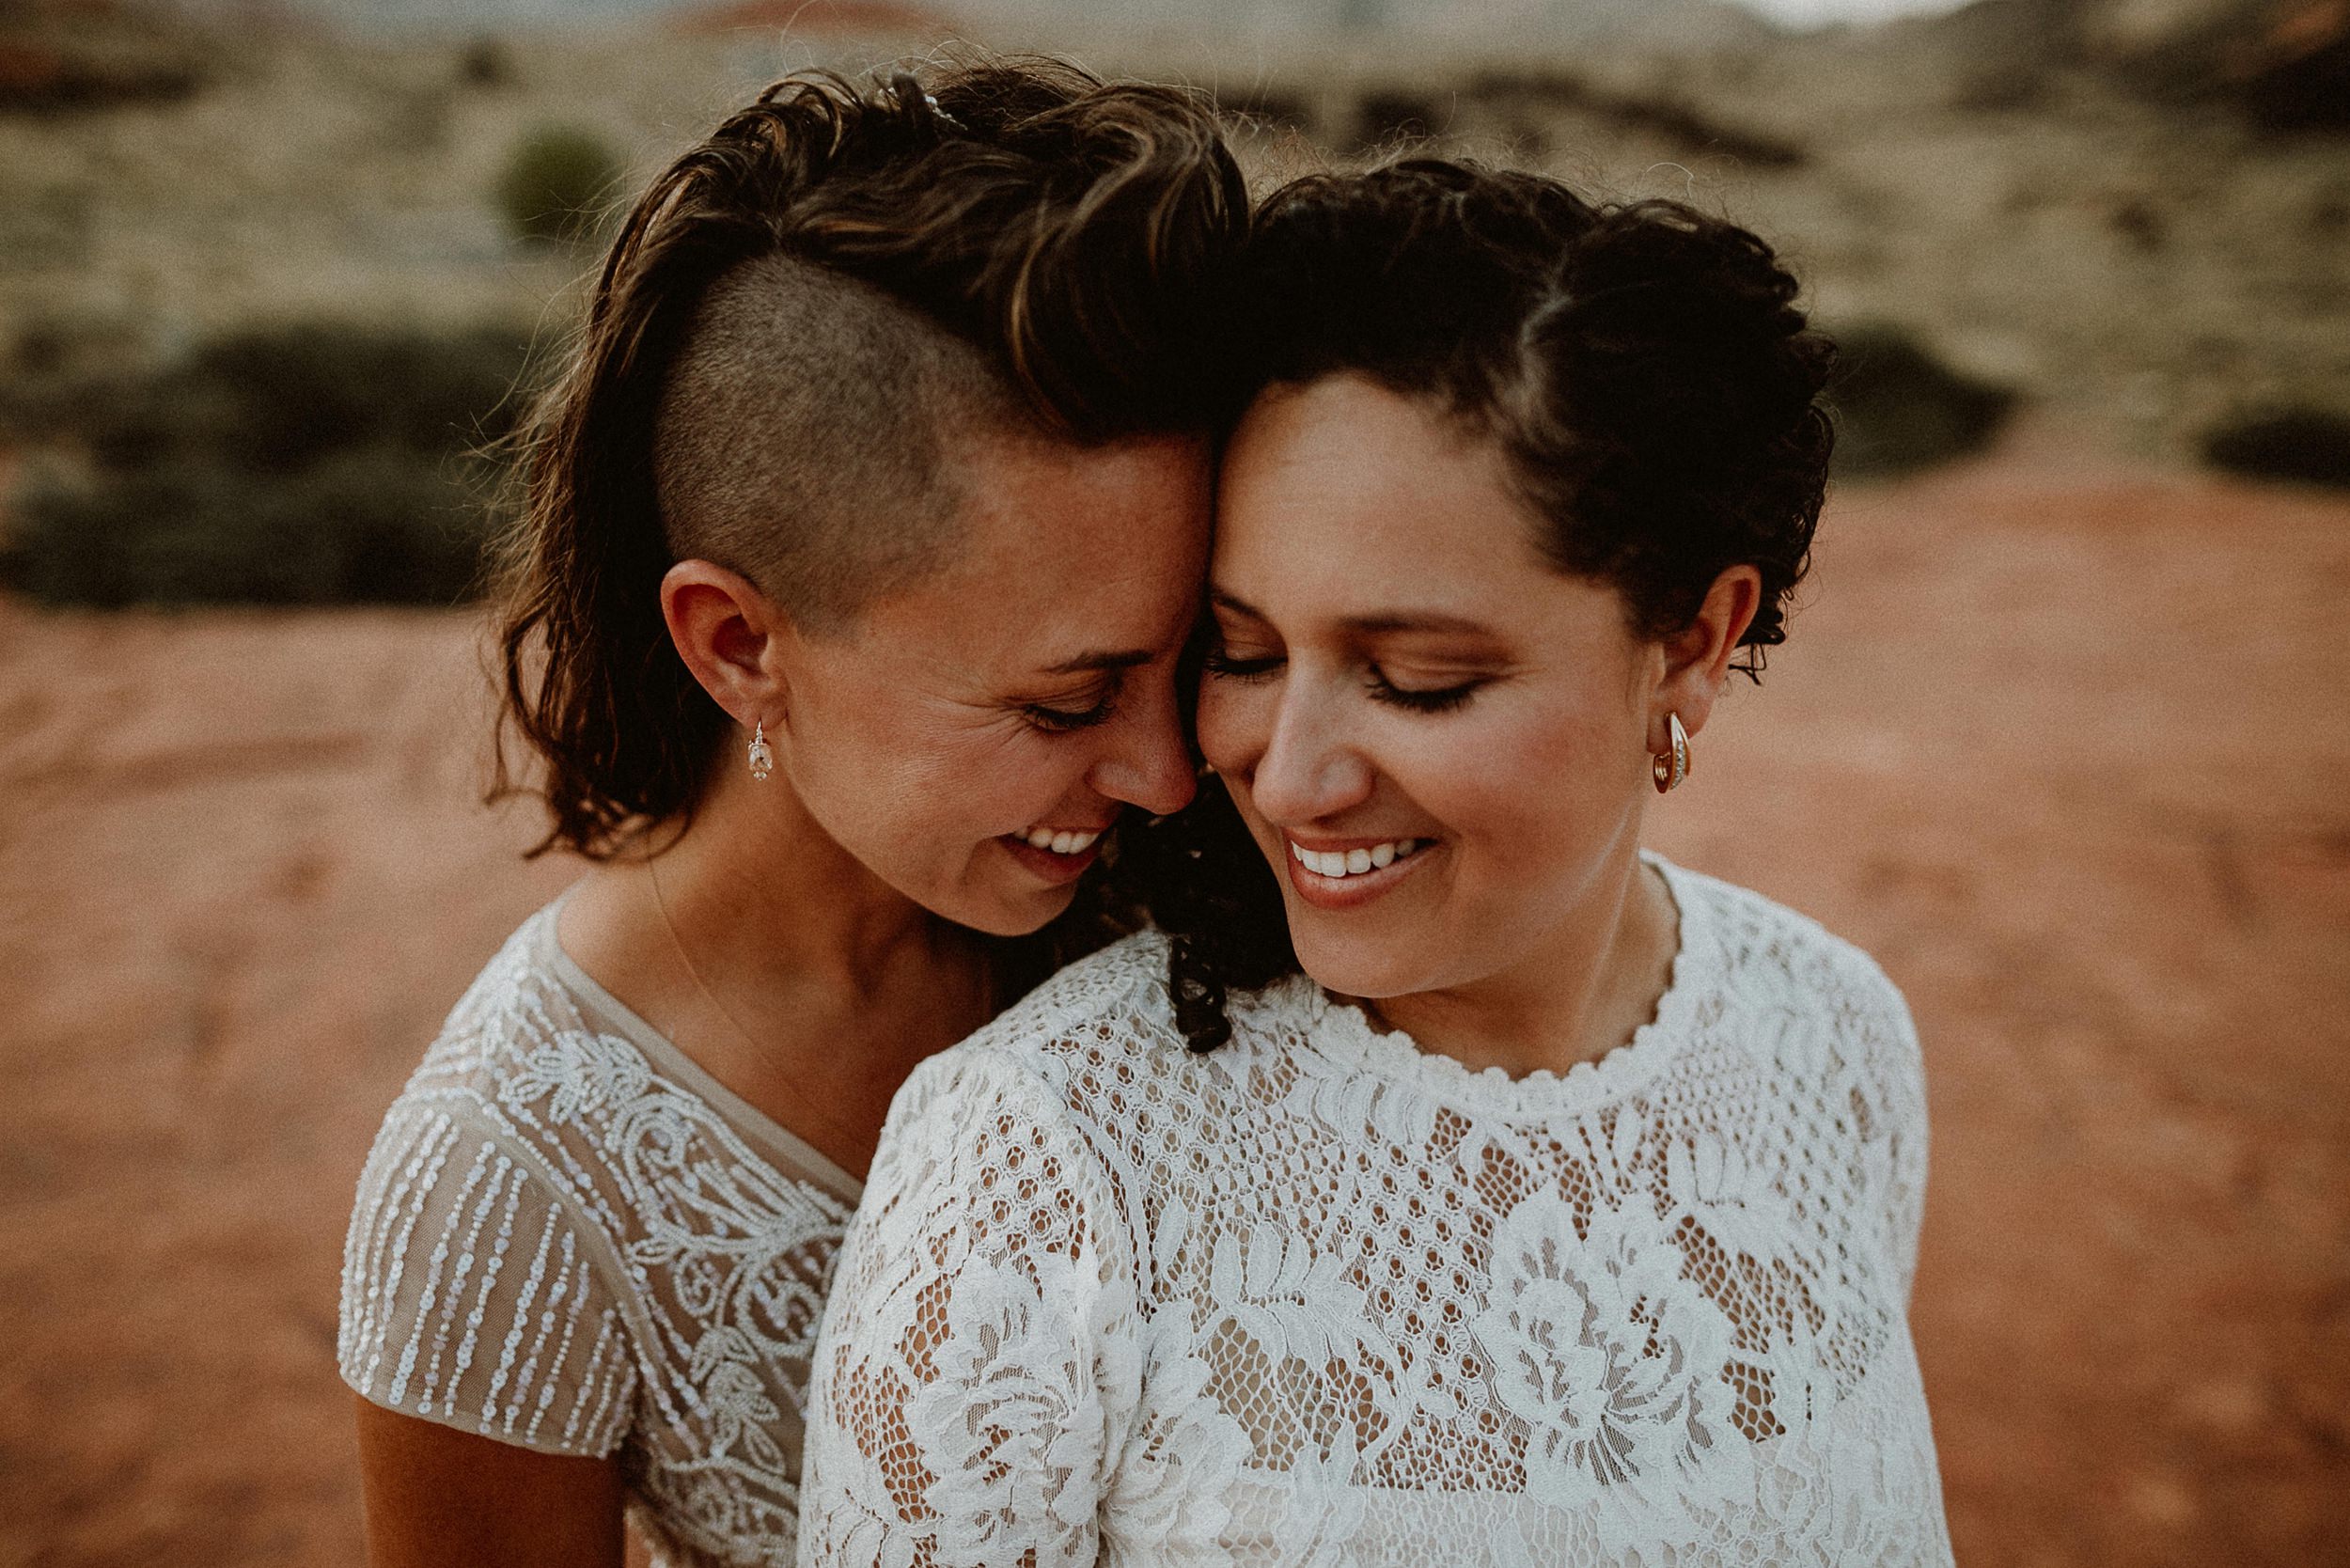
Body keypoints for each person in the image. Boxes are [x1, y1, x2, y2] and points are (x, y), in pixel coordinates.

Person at [798, 159, 1954, 1565]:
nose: (1291, 779)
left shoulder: (1831, 1038)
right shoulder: (1040, 1168)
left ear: (1692, 642)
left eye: (1417, 681)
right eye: (1241, 654)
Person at [335, 58, 1245, 1568]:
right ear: (740, 645)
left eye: (1200, 657)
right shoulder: (507, 1188)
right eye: (1064, 704)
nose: (1167, 775)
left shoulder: (1211, 899)